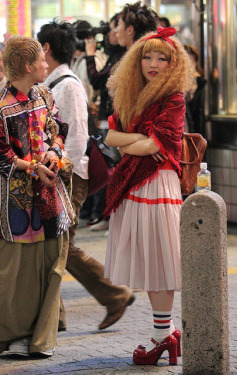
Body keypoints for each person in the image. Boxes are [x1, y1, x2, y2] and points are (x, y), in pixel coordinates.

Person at [103, 26, 196, 365]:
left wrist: (131, 139)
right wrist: (133, 140)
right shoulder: (131, 93)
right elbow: (109, 136)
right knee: (150, 260)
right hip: (135, 184)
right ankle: (166, 334)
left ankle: (162, 337)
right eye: (148, 57)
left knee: (159, 259)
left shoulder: (174, 98)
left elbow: (154, 145)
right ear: (137, 60)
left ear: (175, 65)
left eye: (162, 58)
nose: (153, 64)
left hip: (157, 185)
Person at [37, 20, 135, 332]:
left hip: (69, 178)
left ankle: (113, 294)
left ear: (48, 49)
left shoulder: (67, 85)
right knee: (56, 245)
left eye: (40, 48)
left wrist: (58, 170)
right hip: (60, 176)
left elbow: (77, 138)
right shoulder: (53, 83)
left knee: (60, 244)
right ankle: (61, 315)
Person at [0, 35, 74, 357]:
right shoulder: (2, 106)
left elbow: (57, 130)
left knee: (52, 263)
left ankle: (41, 338)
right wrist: (33, 167)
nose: (47, 63)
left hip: (48, 193)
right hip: (14, 201)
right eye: (42, 60)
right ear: (29, 66)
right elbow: (2, 156)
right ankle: (16, 335)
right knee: (14, 271)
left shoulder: (44, 94)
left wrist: (54, 155)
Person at [84, 13, 126, 232]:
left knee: (113, 168)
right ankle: (107, 215)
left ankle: (110, 215)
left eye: (114, 27)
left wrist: (90, 55)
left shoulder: (123, 56)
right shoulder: (115, 54)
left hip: (116, 120)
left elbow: (97, 80)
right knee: (109, 167)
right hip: (107, 118)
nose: (112, 33)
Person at [184, 44, 207, 136]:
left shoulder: (200, 82)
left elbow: (199, 113)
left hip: (197, 133)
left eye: (192, 61)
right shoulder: (174, 85)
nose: (189, 66)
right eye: (186, 62)